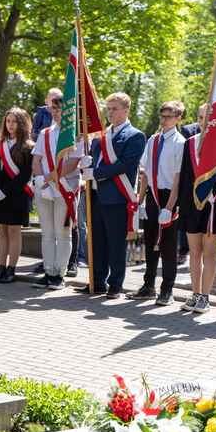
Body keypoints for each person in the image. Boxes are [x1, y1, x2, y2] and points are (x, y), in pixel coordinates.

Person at [77, 92, 146, 298]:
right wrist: (86, 165)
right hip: (96, 195)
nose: (110, 113)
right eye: (108, 109)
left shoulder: (135, 135)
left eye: (115, 109)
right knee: (96, 241)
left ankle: (115, 285)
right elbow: (95, 161)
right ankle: (97, 282)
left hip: (116, 196)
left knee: (116, 243)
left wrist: (96, 172)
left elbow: (126, 164)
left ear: (126, 110)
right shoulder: (100, 136)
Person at [126, 101, 185, 306]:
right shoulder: (153, 139)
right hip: (153, 196)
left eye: (168, 116)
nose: (163, 120)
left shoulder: (180, 142)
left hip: (169, 197)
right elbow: (146, 174)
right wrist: (140, 201)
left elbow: (178, 178)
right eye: (162, 116)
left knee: (168, 246)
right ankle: (148, 286)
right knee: (151, 243)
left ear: (178, 119)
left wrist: (169, 208)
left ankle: (167, 290)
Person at [30, 98, 83, 290]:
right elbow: (37, 159)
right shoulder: (45, 133)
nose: (54, 111)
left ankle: (60, 273)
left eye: (59, 108)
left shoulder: (75, 135)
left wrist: (49, 178)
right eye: (53, 108)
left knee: (62, 234)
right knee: (47, 234)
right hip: (44, 188)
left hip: (64, 188)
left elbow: (72, 163)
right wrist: (40, 179)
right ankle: (48, 271)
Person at [177, 103, 216, 314]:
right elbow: (185, 174)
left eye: (208, 117)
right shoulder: (189, 143)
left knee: (209, 253)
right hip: (190, 203)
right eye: (200, 117)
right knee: (194, 251)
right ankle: (195, 294)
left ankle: (206, 297)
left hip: (214, 204)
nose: (203, 121)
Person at [0, 107, 34, 283]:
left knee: (14, 231)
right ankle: (0, 268)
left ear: (21, 124)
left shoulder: (28, 147)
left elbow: (25, 175)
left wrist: (4, 192)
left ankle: (11, 269)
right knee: (1, 231)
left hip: (16, 196)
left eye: (14, 121)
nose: (10, 124)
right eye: (8, 121)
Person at [178, 110, 203, 265]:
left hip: (212, 196)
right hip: (190, 187)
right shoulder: (189, 133)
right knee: (187, 222)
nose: (202, 121)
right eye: (200, 117)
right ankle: (182, 251)